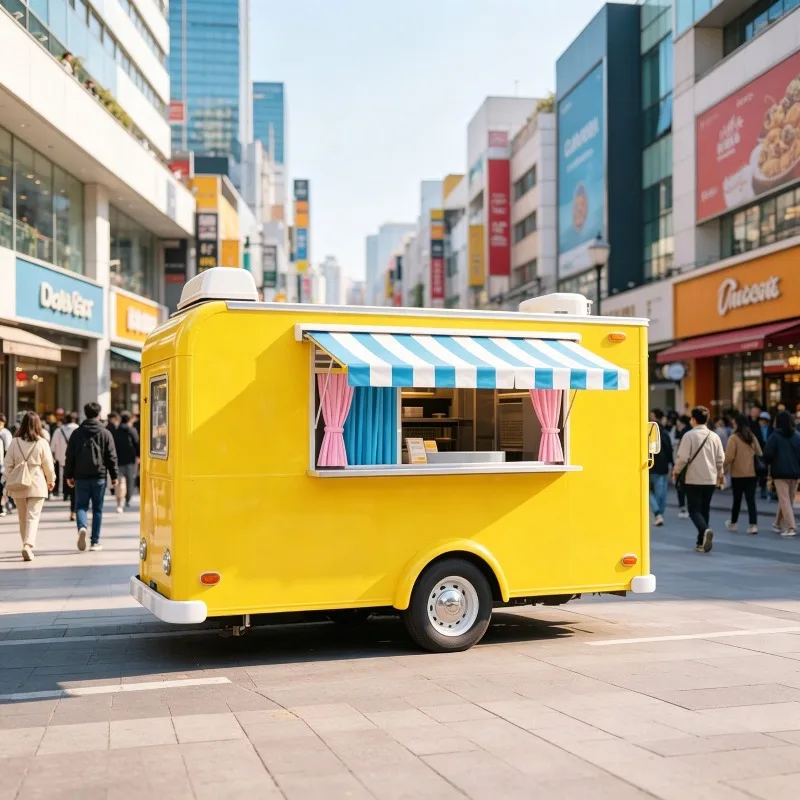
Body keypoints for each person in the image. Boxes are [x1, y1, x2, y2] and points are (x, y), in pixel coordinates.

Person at [64, 403, 119, 552]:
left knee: (81, 506)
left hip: (80, 476)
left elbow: (70, 456)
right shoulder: (105, 433)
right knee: (97, 509)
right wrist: (114, 476)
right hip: (99, 476)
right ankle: (95, 542)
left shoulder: (77, 433)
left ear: (85, 414)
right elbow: (111, 456)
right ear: (98, 415)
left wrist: (68, 475)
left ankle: (82, 527)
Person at [2, 412, 55, 562]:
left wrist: (5, 482)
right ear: (38, 424)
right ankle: (28, 545)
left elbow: (7, 465)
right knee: (33, 516)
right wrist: (51, 480)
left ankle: (25, 543)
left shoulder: (15, 441)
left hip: (18, 483)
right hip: (37, 483)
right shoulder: (42, 442)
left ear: (23, 424)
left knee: (22, 518)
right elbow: (49, 466)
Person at [673, 406, 725, 553]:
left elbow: (682, 458)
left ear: (694, 420)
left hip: (693, 478)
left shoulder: (689, 436)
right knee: (704, 509)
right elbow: (720, 459)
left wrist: (676, 471)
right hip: (710, 479)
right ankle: (701, 541)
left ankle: (705, 530)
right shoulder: (714, 436)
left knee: (694, 510)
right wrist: (720, 476)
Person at [763, 410, 800, 538]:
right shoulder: (797, 436)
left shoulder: (775, 436)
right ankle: (778, 524)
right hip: (795, 473)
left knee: (784, 500)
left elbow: (767, 454)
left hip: (780, 472)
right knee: (787, 500)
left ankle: (791, 527)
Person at [724, 414, 762, 535]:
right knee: (751, 500)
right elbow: (760, 452)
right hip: (751, 473)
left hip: (737, 474)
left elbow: (729, 457)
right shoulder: (751, 437)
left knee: (737, 500)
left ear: (737, 424)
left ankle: (733, 523)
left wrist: (722, 468)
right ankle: (753, 524)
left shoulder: (734, 438)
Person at [51, 412, 79, 520]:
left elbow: (53, 446)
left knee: (63, 475)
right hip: (76, 459)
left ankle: (64, 493)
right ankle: (72, 500)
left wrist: (54, 455)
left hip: (62, 458)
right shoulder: (79, 429)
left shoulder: (59, 430)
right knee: (73, 479)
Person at [649, 408, 673, 527]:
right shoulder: (665, 432)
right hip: (664, 466)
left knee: (649, 492)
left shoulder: (649, 431)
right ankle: (660, 515)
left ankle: (658, 513)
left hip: (653, 466)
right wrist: (672, 463)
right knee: (662, 493)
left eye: (651, 415)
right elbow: (669, 449)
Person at [111, 412, 140, 512]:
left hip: (118, 460)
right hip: (130, 460)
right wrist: (138, 456)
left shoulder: (116, 431)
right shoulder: (132, 430)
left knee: (119, 482)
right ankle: (127, 499)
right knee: (130, 480)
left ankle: (119, 501)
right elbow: (137, 443)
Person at [675, 415, 692, 518]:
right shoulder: (692, 431)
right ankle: (690, 507)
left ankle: (682, 507)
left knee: (680, 486)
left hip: (683, 463)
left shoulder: (683, 433)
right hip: (692, 463)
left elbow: (681, 451)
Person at [0, 413, 12, 516]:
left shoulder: (6, 433)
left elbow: (8, 450)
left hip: (2, 464)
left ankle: (4, 506)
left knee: (2, 486)